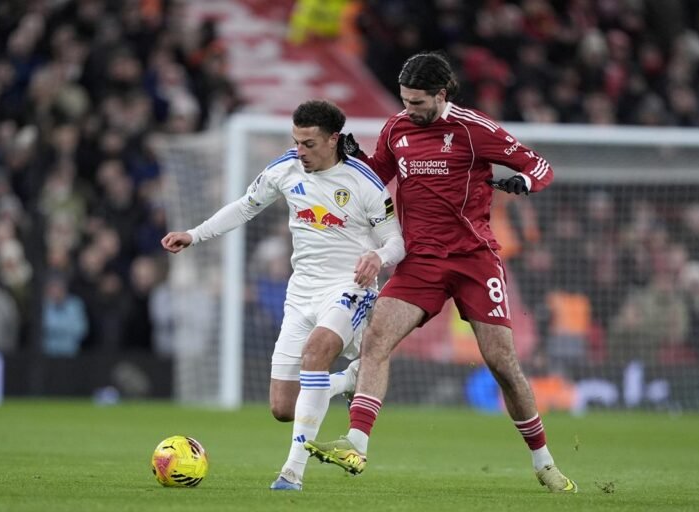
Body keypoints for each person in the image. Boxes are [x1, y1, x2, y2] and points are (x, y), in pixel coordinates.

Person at [305, 52, 577, 493]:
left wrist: (523, 183)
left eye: (416, 102)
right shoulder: (396, 129)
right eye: (404, 101)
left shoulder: (474, 129)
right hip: (421, 261)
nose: (408, 110)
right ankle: (355, 444)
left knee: (502, 363)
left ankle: (544, 463)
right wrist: (352, 162)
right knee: (376, 338)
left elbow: (538, 165)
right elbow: (379, 175)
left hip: (474, 259)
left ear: (441, 94)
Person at [161, 100, 405, 491]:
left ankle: (292, 472)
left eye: (309, 143)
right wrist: (195, 234)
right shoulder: (284, 169)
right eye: (296, 141)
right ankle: (349, 380)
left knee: (315, 352)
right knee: (282, 408)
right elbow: (245, 206)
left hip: (348, 288)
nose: (300, 151)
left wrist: (378, 256)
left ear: (333, 140)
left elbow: (397, 242)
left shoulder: (364, 182)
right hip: (301, 293)